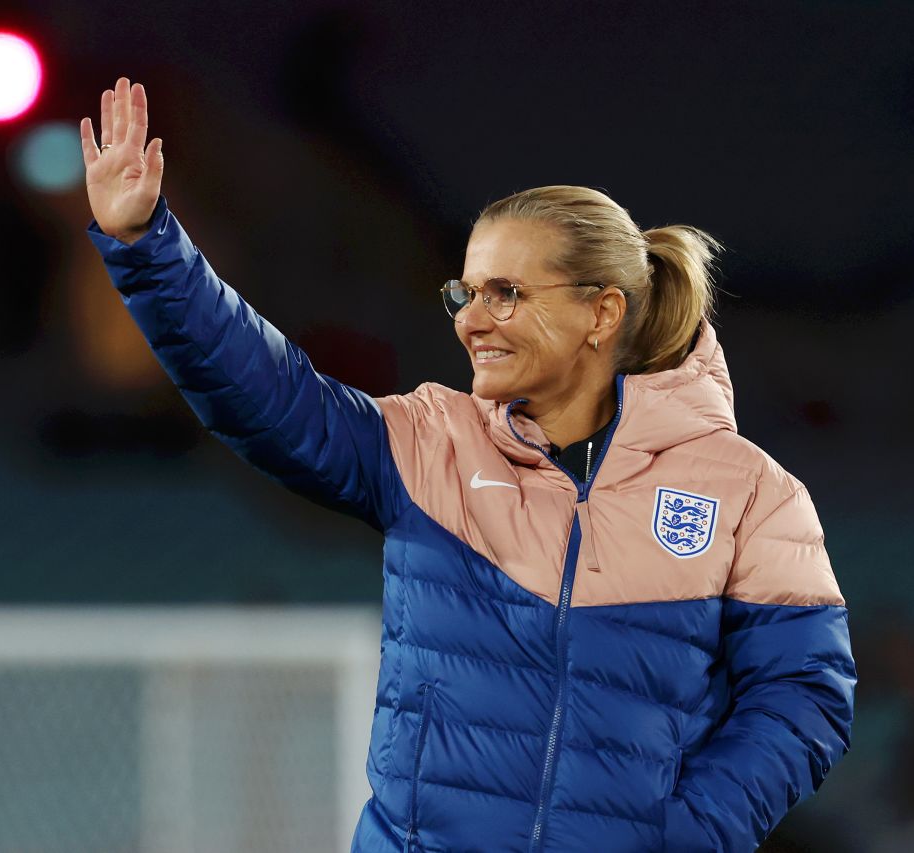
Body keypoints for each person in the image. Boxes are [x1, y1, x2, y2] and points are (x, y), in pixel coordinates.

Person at [80, 76, 857, 853]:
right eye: (466, 293)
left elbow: (804, 694)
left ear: (602, 313)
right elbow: (267, 393)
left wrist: (686, 834)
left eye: (507, 294)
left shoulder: (750, 492)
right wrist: (149, 250)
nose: (472, 321)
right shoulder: (431, 442)